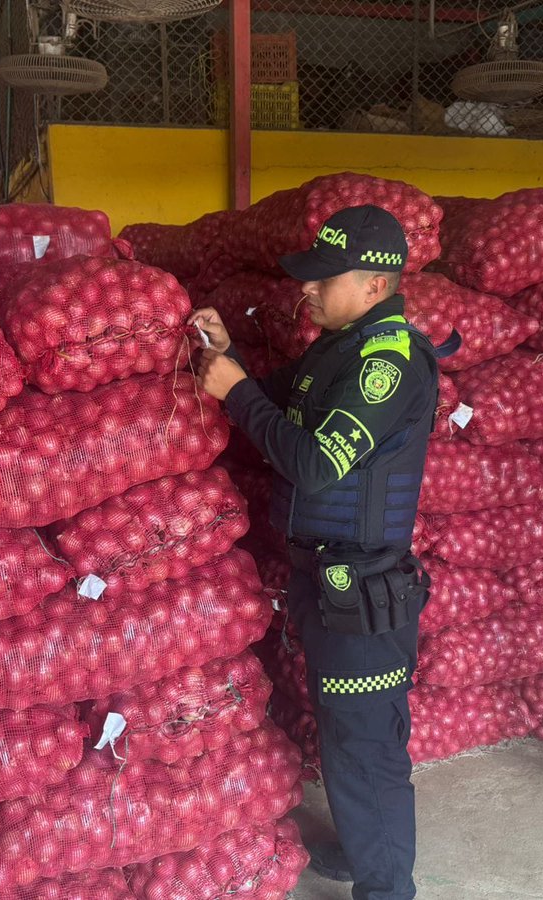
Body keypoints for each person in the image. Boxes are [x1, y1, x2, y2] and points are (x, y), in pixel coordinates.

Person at [191, 204, 457, 900]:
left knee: (366, 747)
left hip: (363, 592)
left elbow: (313, 464)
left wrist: (236, 392)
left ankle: (386, 887)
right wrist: (231, 360)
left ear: (374, 284)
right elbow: (273, 401)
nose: (306, 289)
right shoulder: (337, 350)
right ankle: (368, 851)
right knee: (343, 734)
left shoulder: (387, 364)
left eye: (323, 278)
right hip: (325, 579)